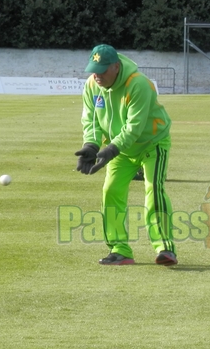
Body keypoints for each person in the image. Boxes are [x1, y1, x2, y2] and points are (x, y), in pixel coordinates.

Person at [75, 44, 177, 266]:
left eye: (102, 70)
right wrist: (91, 145)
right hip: (120, 148)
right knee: (111, 191)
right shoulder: (92, 84)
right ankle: (120, 250)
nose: (97, 75)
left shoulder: (138, 84)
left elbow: (135, 126)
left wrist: (111, 149)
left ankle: (165, 247)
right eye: (94, 69)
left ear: (116, 67)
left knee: (154, 188)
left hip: (152, 142)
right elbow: (91, 119)